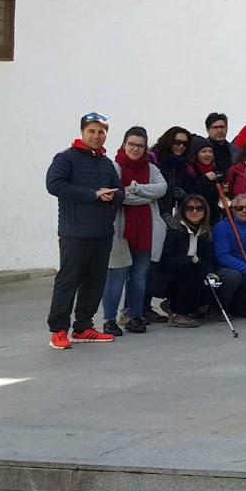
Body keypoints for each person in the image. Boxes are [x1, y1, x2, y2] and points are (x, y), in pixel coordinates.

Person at [45, 113, 123, 349]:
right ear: (82, 132)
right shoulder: (65, 158)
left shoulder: (106, 162)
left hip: (101, 232)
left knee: (95, 280)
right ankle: (59, 330)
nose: (97, 136)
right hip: (74, 232)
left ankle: (83, 327)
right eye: (92, 131)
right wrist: (92, 195)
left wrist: (113, 196)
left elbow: (119, 191)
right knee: (68, 280)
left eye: (101, 132)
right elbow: (54, 184)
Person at [102, 127, 167, 335]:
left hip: (146, 230)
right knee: (117, 275)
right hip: (119, 230)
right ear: (123, 144)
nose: (135, 149)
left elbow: (162, 188)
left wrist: (137, 188)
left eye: (140, 146)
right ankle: (109, 320)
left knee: (139, 276)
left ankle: (135, 315)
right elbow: (116, 195)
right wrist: (147, 195)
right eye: (131, 144)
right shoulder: (114, 166)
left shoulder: (151, 168)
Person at [148, 195, 218, 327]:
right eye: (190, 208)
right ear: (183, 211)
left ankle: (177, 305)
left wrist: (209, 272)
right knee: (193, 269)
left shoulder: (205, 233)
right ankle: (178, 313)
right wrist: (189, 260)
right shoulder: (174, 231)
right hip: (169, 276)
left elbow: (209, 259)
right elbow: (165, 260)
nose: (195, 212)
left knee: (212, 277)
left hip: (196, 274)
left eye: (199, 208)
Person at [149, 127, 193, 219]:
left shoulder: (183, 164)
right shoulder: (153, 159)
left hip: (171, 212)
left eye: (185, 144)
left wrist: (184, 195)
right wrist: (163, 212)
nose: (181, 146)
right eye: (177, 142)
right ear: (169, 141)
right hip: (152, 211)